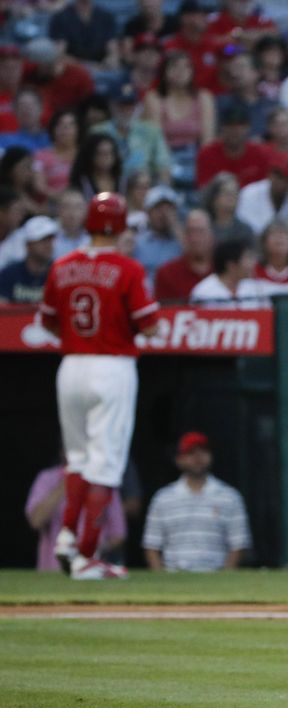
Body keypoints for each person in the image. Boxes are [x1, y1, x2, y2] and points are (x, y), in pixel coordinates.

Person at [37, 193, 162, 580]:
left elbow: (49, 322)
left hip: (71, 364)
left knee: (76, 459)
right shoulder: (126, 268)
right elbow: (152, 325)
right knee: (105, 465)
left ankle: (67, 537)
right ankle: (85, 554)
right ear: (120, 226)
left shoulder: (62, 265)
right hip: (112, 366)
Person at [143, 432, 252, 572]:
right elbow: (151, 545)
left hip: (216, 576)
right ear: (179, 459)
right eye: (191, 453)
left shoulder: (230, 496)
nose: (198, 457)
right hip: (174, 576)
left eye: (203, 451)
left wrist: (226, 577)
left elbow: (239, 543)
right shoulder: (162, 498)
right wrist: (161, 578)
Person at [0, 216, 59, 304]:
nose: (49, 245)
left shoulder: (59, 273)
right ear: (28, 245)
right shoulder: (9, 274)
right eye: (42, 240)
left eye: (51, 240)